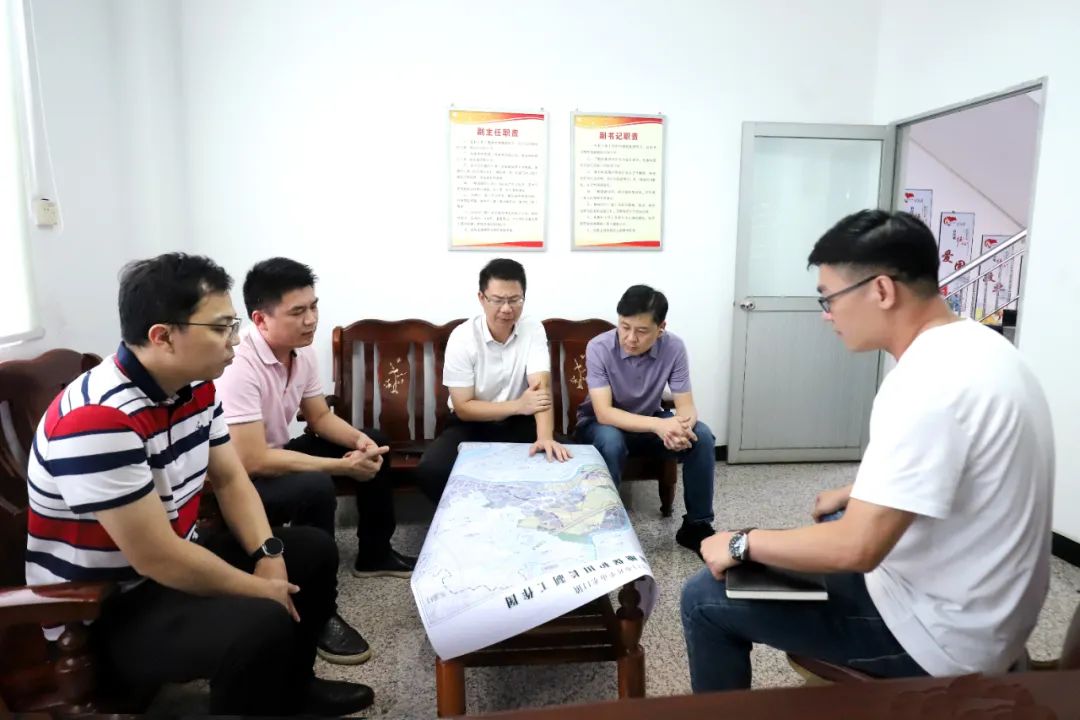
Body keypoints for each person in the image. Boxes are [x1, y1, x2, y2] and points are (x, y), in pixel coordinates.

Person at [680, 210, 1055, 692]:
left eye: (830, 298)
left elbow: (857, 548)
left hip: (941, 641)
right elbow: (960, 466)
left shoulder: (925, 383)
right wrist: (856, 490)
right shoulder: (983, 348)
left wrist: (740, 542)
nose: (826, 314)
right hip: (991, 615)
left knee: (704, 597)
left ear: (881, 290)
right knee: (834, 518)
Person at [24, 253, 373, 715]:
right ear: (163, 336)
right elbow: (157, 557)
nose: (235, 340)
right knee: (260, 620)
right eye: (222, 327)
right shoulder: (99, 419)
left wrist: (268, 555)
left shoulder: (195, 386)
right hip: (107, 608)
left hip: (170, 566)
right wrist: (258, 589)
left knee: (311, 550)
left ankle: (294, 690)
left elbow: (230, 478)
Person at [215, 257, 416, 665]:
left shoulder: (301, 353)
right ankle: (319, 611)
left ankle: (374, 553)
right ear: (261, 319)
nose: (311, 320)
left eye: (313, 307)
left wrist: (358, 441)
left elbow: (320, 417)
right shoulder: (239, 366)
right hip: (239, 477)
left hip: (276, 451)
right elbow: (252, 460)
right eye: (297, 312)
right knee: (316, 485)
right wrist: (339, 468)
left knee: (376, 443)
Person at [574, 285, 716, 556]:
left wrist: (681, 429)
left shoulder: (674, 347)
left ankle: (697, 526)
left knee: (703, 437)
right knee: (611, 439)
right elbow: (604, 413)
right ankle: (604, 526)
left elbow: (686, 406)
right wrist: (660, 425)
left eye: (641, 331)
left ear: (661, 328)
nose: (630, 338)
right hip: (599, 426)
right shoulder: (599, 347)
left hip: (649, 422)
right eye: (624, 327)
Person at [415, 258, 570, 504]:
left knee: (566, 458)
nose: (507, 309)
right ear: (481, 298)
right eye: (497, 300)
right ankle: (468, 516)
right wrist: (518, 405)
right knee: (432, 469)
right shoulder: (462, 338)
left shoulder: (532, 329)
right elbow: (464, 407)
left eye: (515, 300)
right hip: (471, 425)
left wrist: (544, 437)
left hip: (519, 424)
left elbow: (540, 390)